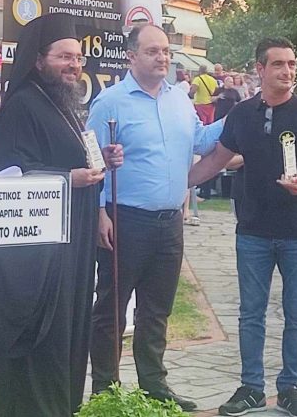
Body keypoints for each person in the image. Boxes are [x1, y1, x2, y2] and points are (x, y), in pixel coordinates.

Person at [188, 38, 297, 417]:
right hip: (253, 231)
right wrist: (177, 184)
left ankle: (290, 388)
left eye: (292, 64)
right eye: (279, 64)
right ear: (260, 69)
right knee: (251, 314)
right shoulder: (242, 114)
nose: (288, 71)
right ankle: (251, 388)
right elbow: (216, 160)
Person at [0, 13, 122, 416]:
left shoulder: (62, 103)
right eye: (64, 57)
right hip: (35, 261)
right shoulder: (23, 106)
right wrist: (67, 179)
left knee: (65, 342)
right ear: (38, 60)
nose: (74, 65)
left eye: (78, 58)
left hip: (68, 250)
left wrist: (101, 160)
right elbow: (5, 176)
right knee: (41, 349)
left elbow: (67, 156)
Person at [86, 24, 222, 411]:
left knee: (157, 309)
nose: (162, 58)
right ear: (131, 57)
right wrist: (99, 212)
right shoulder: (110, 103)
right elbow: (92, 160)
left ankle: (153, 384)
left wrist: (241, 116)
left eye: (166, 51)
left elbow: (201, 141)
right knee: (112, 309)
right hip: (125, 220)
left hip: (169, 221)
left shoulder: (180, 98)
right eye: (152, 51)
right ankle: (105, 388)